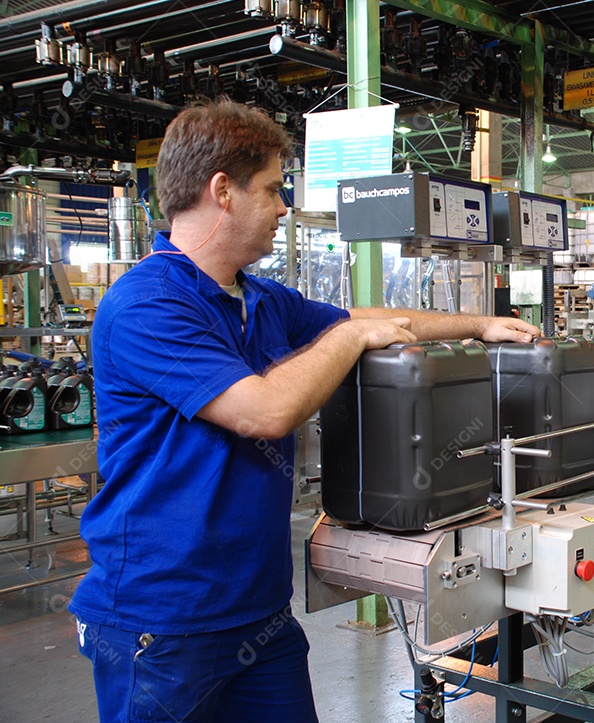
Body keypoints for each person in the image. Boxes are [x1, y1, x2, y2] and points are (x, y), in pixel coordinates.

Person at [69, 99, 538, 723]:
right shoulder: (147, 306)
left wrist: (481, 325)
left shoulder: (258, 298)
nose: (284, 207)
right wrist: (347, 341)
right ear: (222, 191)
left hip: (258, 612)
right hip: (163, 623)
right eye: (271, 190)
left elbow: (371, 320)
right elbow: (265, 412)